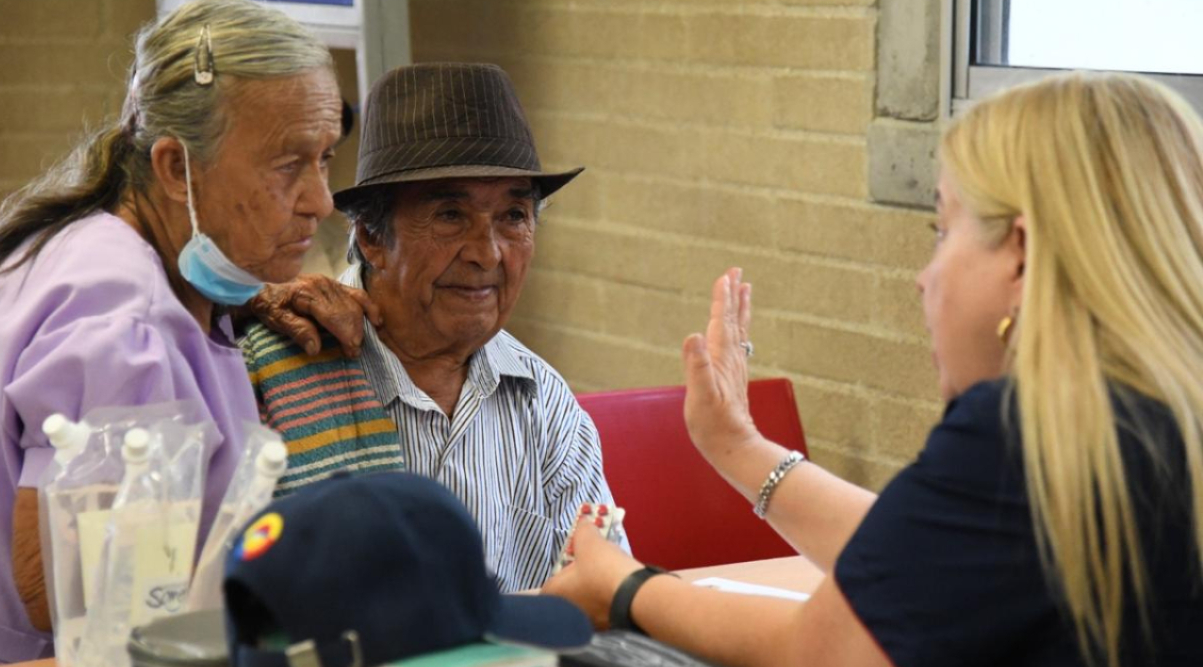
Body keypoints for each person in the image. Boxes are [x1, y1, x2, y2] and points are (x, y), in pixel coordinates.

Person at [543, 72, 1203, 666]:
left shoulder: (1033, 429)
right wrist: (738, 446)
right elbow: (924, 561)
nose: (923, 279)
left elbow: (822, 651)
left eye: (942, 232)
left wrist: (625, 587)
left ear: (1022, 255)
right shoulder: (1153, 417)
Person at [0, 0, 361, 667]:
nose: (321, 201)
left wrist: (243, 300)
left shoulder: (90, 246)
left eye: (326, 158)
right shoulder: (125, 325)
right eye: (288, 165)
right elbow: (87, 613)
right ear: (175, 167)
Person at [261, 62, 623, 592]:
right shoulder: (280, 376)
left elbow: (604, 592)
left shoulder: (541, 400)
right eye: (451, 215)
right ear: (372, 238)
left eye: (514, 216)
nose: (487, 254)